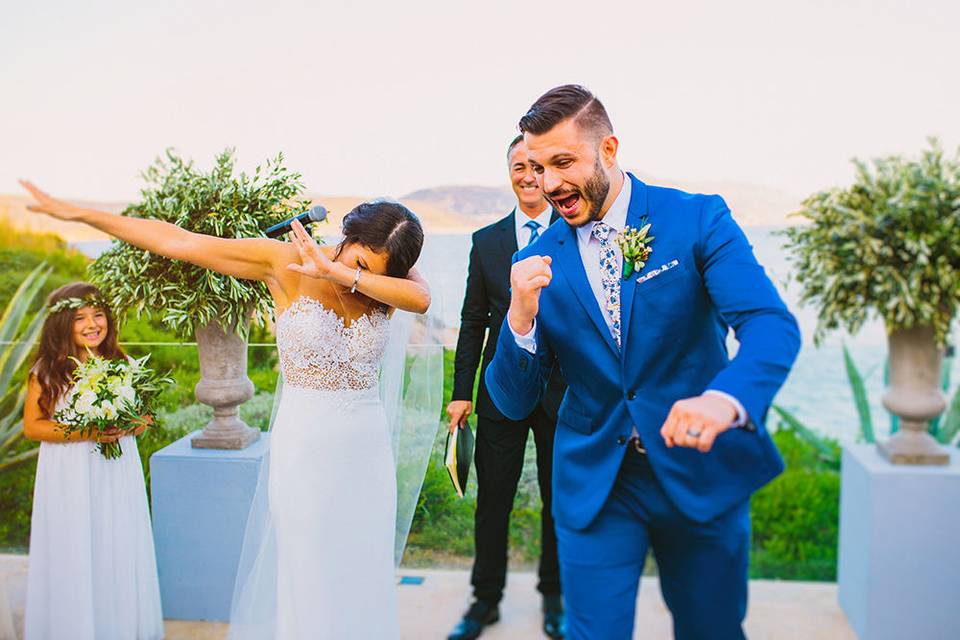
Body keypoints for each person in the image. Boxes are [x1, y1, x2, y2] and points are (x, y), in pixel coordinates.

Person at [20, 180, 432, 639]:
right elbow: (179, 241)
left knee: (362, 561)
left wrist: (344, 275)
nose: (362, 275)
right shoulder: (285, 262)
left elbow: (422, 298)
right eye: (357, 260)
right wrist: (83, 215)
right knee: (308, 559)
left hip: (364, 447)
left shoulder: (384, 284)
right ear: (347, 237)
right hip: (308, 446)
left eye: (374, 272)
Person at [484, 85, 801, 640]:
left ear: (608, 150)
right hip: (597, 481)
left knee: (713, 630)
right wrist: (519, 319)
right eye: (537, 167)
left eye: (562, 163)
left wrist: (724, 400)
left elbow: (769, 326)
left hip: (698, 463)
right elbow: (512, 399)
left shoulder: (696, 219)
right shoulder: (531, 262)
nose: (548, 183)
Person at [447, 135, 565, 640]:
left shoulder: (576, 233)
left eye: (537, 166)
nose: (528, 175)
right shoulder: (486, 241)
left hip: (563, 392)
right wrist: (461, 392)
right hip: (499, 390)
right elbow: (473, 322)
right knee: (493, 498)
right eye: (519, 165)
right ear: (509, 172)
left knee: (560, 498)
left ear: (550, 173)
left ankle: (555, 600)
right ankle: (485, 600)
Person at [23, 282, 163, 640]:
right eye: (80, 317)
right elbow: (33, 427)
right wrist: (88, 431)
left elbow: (145, 420)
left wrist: (126, 424)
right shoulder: (48, 371)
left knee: (115, 543)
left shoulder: (125, 364)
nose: (91, 324)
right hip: (69, 475)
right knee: (75, 545)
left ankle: (117, 626)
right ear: (62, 324)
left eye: (98, 315)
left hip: (116, 473)